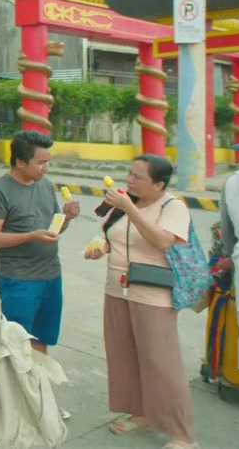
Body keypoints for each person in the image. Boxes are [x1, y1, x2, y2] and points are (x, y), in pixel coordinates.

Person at [83, 154, 197, 449]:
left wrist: (129, 207)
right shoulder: (127, 202)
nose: (130, 180)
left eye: (138, 177)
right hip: (117, 289)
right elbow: (115, 238)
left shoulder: (172, 207)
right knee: (124, 355)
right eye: (129, 173)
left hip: (152, 294)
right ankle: (142, 413)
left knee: (162, 362)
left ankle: (182, 434)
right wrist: (102, 248)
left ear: (159, 184)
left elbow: (162, 241)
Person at [0, 131, 80, 360]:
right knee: (16, 343)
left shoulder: (45, 185)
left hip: (51, 276)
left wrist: (66, 218)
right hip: (20, 280)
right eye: (41, 163)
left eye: (48, 162)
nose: (46, 168)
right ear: (20, 161)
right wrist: (31, 236)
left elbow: (53, 230)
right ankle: (16, 382)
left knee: (42, 338)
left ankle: (38, 379)